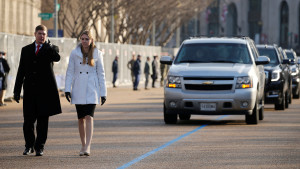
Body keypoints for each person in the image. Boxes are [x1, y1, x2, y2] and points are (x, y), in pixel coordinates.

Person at [13, 25, 61, 156]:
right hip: (29, 91)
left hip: (45, 92)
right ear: (35, 34)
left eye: (44, 34)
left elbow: (57, 58)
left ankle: (40, 147)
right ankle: (29, 145)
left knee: (42, 122)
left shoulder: (51, 48)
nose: (42, 36)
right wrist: (16, 90)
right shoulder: (26, 50)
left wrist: (50, 47)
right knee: (28, 121)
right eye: (40, 33)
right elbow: (21, 70)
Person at [65, 30, 107, 156]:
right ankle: (82, 145)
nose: (84, 41)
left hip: (92, 88)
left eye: (86, 39)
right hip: (78, 88)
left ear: (91, 40)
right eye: (82, 39)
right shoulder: (74, 53)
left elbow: (101, 74)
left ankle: (88, 146)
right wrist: (67, 89)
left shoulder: (98, 54)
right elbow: (70, 72)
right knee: (80, 119)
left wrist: (103, 93)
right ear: (80, 40)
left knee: (89, 117)